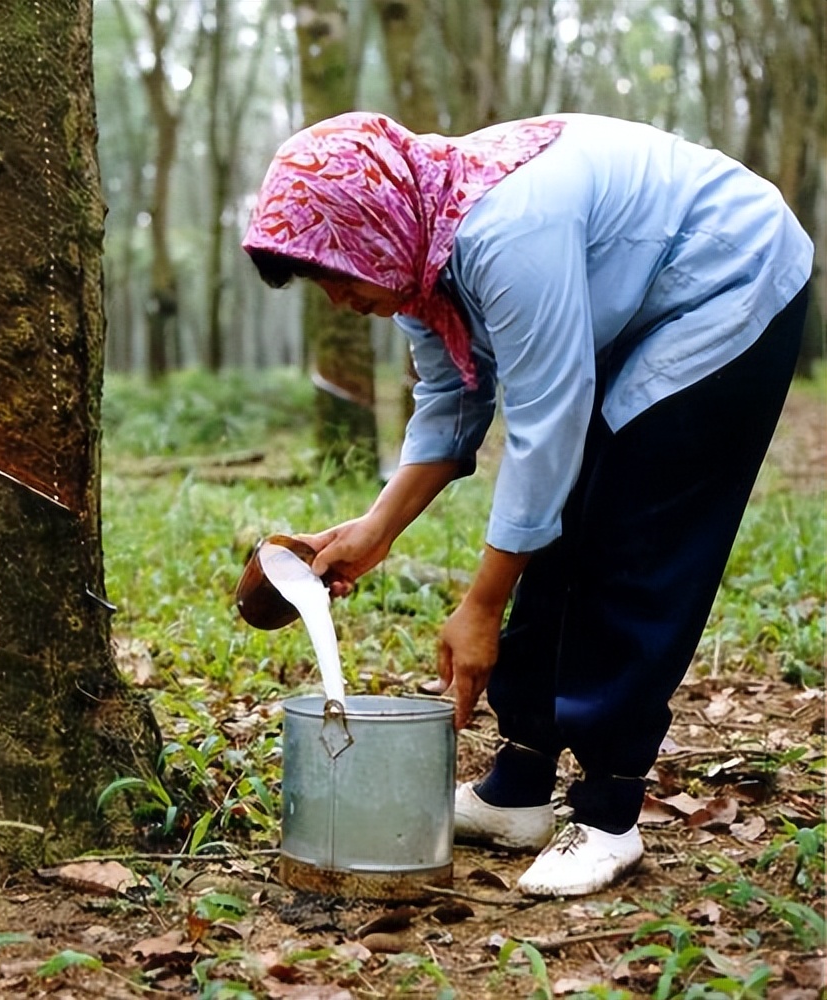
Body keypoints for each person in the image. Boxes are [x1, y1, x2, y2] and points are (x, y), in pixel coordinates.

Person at [241, 112, 813, 897]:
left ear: (375, 225)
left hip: (730, 274)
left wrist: (481, 606)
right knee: (559, 527)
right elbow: (450, 403)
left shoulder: (506, 232)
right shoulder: (419, 258)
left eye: (339, 275)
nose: (339, 300)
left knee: (632, 530)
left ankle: (609, 811)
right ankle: (519, 785)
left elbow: (545, 424)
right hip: (642, 301)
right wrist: (377, 528)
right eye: (325, 284)